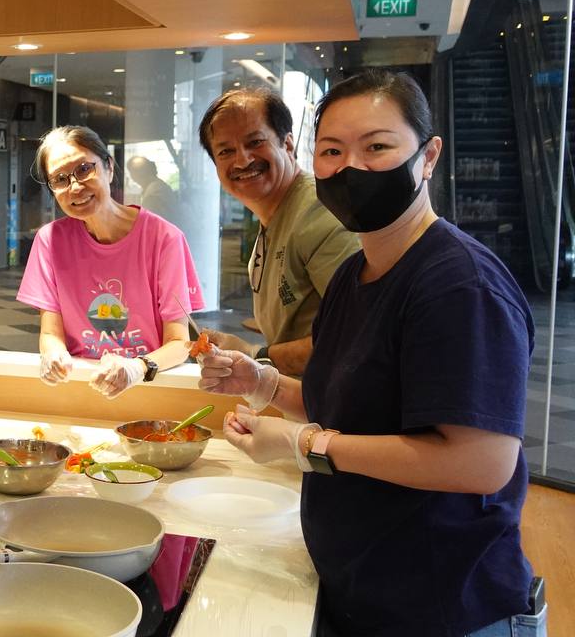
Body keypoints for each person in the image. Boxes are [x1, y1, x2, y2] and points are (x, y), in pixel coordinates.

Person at [198, 70, 543, 636]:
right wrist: (261, 384)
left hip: (442, 610)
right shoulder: (356, 275)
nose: (351, 167)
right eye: (333, 151)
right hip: (365, 594)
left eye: (378, 146)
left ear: (428, 156)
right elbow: (350, 406)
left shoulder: (459, 285)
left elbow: (480, 463)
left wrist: (305, 445)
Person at [17, 126, 204, 399]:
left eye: (83, 169)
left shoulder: (164, 238)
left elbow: (179, 342)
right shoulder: (50, 241)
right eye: (59, 179)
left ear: (109, 168)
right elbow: (50, 334)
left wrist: (137, 368)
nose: (75, 187)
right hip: (82, 389)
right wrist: (54, 355)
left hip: (149, 388)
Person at [198, 88, 358, 376]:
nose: (242, 160)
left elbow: (355, 336)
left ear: (287, 144)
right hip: (303, 408)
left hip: (342, 415)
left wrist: (253, 354)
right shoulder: (272, 217)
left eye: (255, 142)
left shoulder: (321, 214)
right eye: (226, 151)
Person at [126, 155, 180, 226]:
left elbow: (150, 224)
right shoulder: (158, 186)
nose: (132, 177)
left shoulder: (154, 193)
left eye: (133, 172)